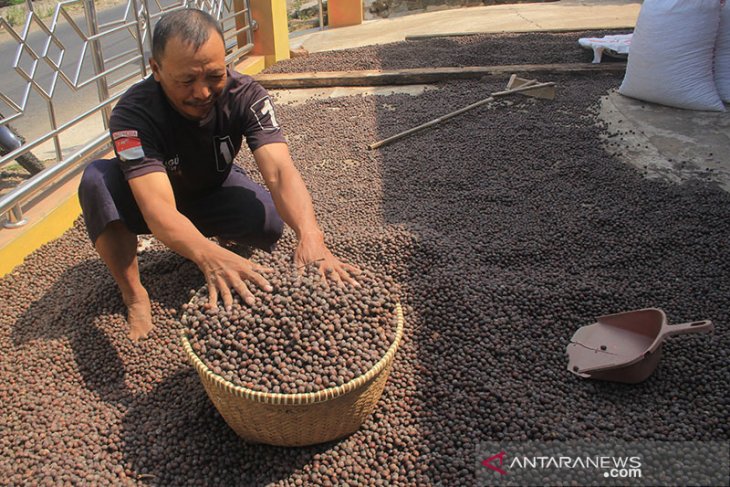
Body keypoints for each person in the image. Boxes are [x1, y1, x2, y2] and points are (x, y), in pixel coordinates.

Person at [78, 8, 358, 341]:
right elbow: (158, 208)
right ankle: (134, 293)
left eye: (214, 75)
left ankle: (215, 240)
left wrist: (312, 235)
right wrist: (207, 257)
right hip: (148, 199)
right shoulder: (132, 113)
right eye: (186, 81)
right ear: (156, 69)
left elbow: (281, 171)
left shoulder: (246, 95)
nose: (202, 92)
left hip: (211, 185)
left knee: (268, 223)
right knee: (96, 180)